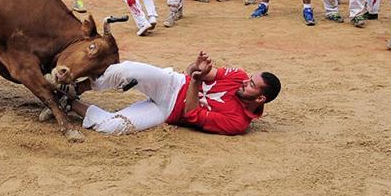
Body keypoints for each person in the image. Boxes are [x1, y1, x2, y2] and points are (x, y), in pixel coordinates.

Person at [69, 51, 279, 136]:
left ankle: (65, 101)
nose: (244, 81)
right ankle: (75, 87)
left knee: (113, 126)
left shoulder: (237, 123)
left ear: (260, 98)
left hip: (168, 111)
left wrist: (196, 80)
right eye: (249, 78)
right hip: (172, 84)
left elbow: (191, 114)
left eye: (251, 84)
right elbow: (196, 73)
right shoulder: (237, 76)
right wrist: (196, 69)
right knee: (126, 70)